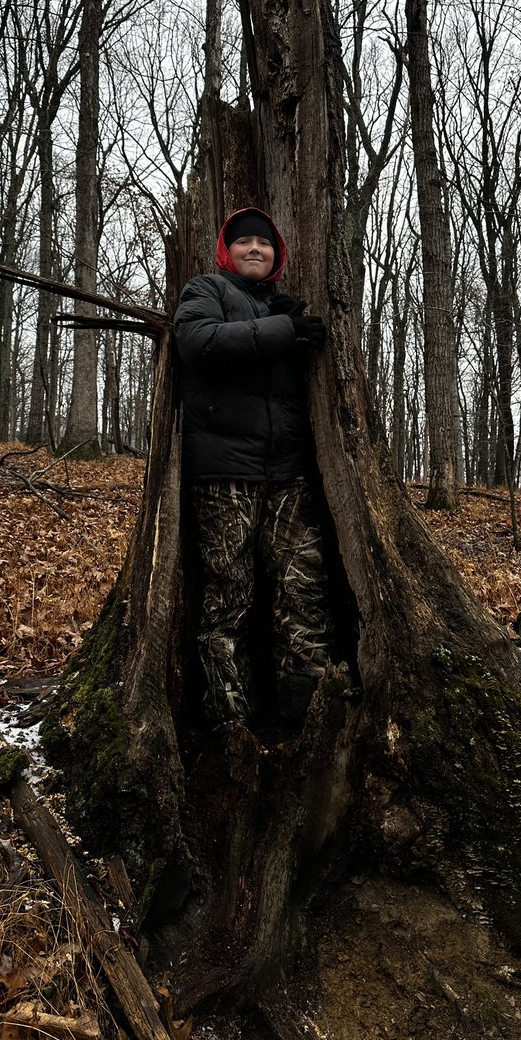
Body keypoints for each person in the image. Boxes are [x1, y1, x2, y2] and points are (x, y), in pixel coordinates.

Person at [173, 207, 333, 739]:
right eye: (243, 243)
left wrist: (289, 325)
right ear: (226, 251)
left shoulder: (285, 309)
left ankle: (304, 722)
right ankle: (230, 728)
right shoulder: (205, 291)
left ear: (277, 254)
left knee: (303, 594)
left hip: (287, 475)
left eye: (264, 244)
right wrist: (283, 329)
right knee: (228, 600)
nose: (255, 250)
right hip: (223, 475)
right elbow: (199, 343)